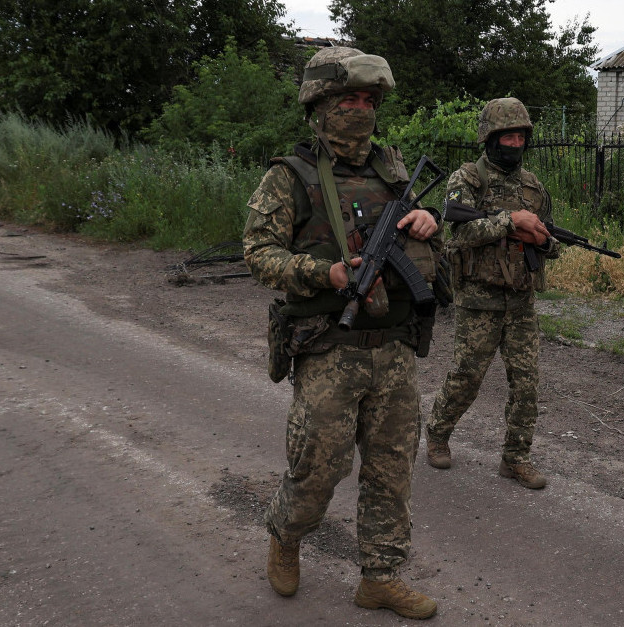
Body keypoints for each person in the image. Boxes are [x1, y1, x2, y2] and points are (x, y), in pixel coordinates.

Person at [242, 46, 440, 620]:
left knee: (391, 470)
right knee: (318, 468)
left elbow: (426, 250)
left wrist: (426, 228)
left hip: (394, 348)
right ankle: (286, 536)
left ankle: (380, 576)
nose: (359, 110)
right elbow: (257, 255)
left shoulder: (393, 168)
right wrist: (320, 271)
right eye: (346, 99)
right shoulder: (289, 176)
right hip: (329, 347)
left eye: (367, 100)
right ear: (320, 105)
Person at [426, 97, 560, 489]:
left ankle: (515, 458)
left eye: (521, 136)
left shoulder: (533, 187)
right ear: (490, 138)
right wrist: (509, 221)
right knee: (467, 376)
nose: (515, 143)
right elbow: (461, 231)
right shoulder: (467, 179)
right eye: (508, 136)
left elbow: (550, 239)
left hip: (520, 300)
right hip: (479, 300)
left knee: (526, 383)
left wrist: (544, 241)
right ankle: (437, 434)